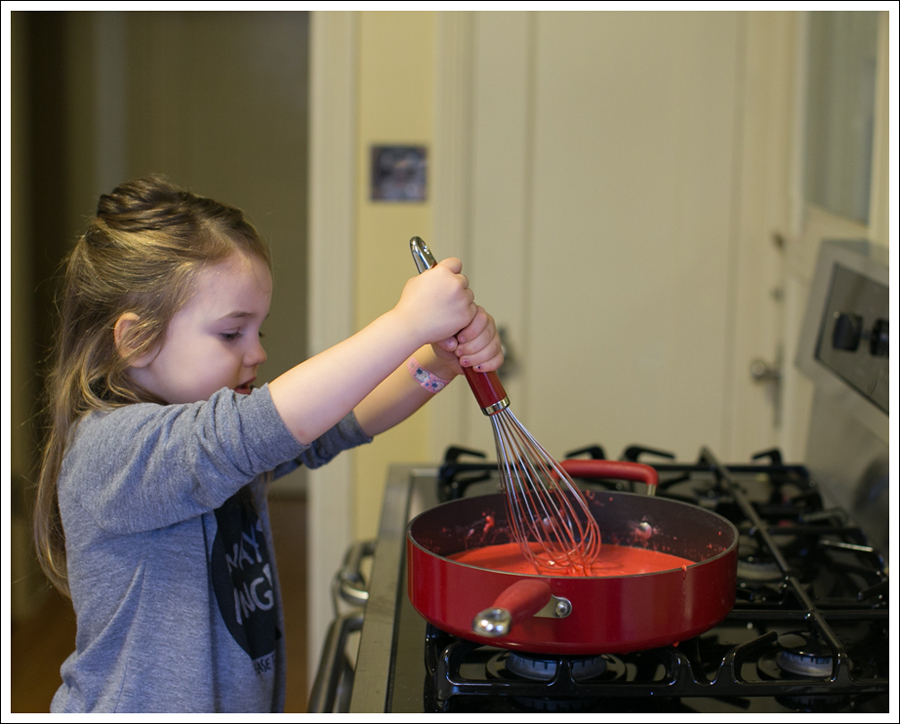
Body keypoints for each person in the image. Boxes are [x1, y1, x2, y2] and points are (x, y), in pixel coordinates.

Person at [33, 175, 503, 713]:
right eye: (231, 333)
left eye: (259, 331)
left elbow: (339, 422)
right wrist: (407, 324)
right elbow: (260, 428)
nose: (256, 352)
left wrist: (438, 362)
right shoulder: (111, 449)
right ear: (136, 340)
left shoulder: (213, 443)